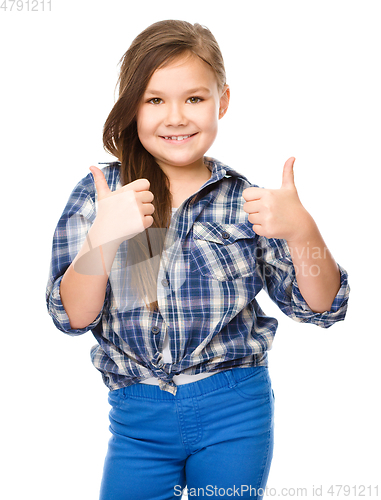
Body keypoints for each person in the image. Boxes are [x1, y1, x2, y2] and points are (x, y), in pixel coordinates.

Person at [46, 19, 350, 500]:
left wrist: (302, 230)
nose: (176, 117)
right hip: (137, 418)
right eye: (154, 100)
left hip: (235, 409)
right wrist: (100, 239)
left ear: (222, 101)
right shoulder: (101, 195)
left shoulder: (246, 201)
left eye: (194, 98)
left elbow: (322, 307)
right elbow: (73, 317)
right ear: (132, 106)